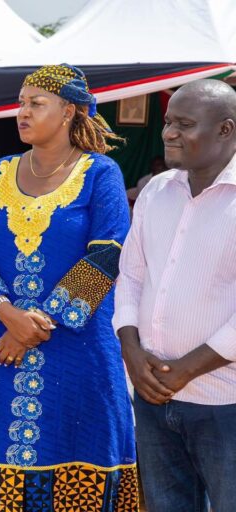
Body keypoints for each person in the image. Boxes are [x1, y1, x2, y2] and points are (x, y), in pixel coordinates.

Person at [0, 64, 138, 510]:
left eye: (36, 103)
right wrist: (8, 315)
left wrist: (35, 324)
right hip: (1, 344)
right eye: (20, 103)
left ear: (70, 111)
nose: (22, 112)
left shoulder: (101, 173)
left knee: (81, 450)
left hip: (80, 349)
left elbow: (108, 254)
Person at [114, 80, 236, 512]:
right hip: (151, 396)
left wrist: (185, 369)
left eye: (185, 124)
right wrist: (131, 349)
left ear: (225, 130)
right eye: (168, 122)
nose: (168, 133)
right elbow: (130, 274)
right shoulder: (156, 190)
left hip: (224, 402)